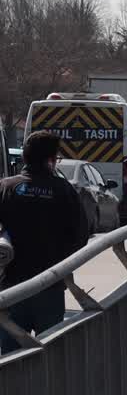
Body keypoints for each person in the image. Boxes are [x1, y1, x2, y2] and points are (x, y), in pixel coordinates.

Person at [0, 131, 92, 352]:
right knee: (50, 356)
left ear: (24, 156)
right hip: (50, 285)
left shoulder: (5, 187)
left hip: (11, 287)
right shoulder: (63, 190)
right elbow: (81, 236)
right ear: (51, 159)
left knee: (11, 359)